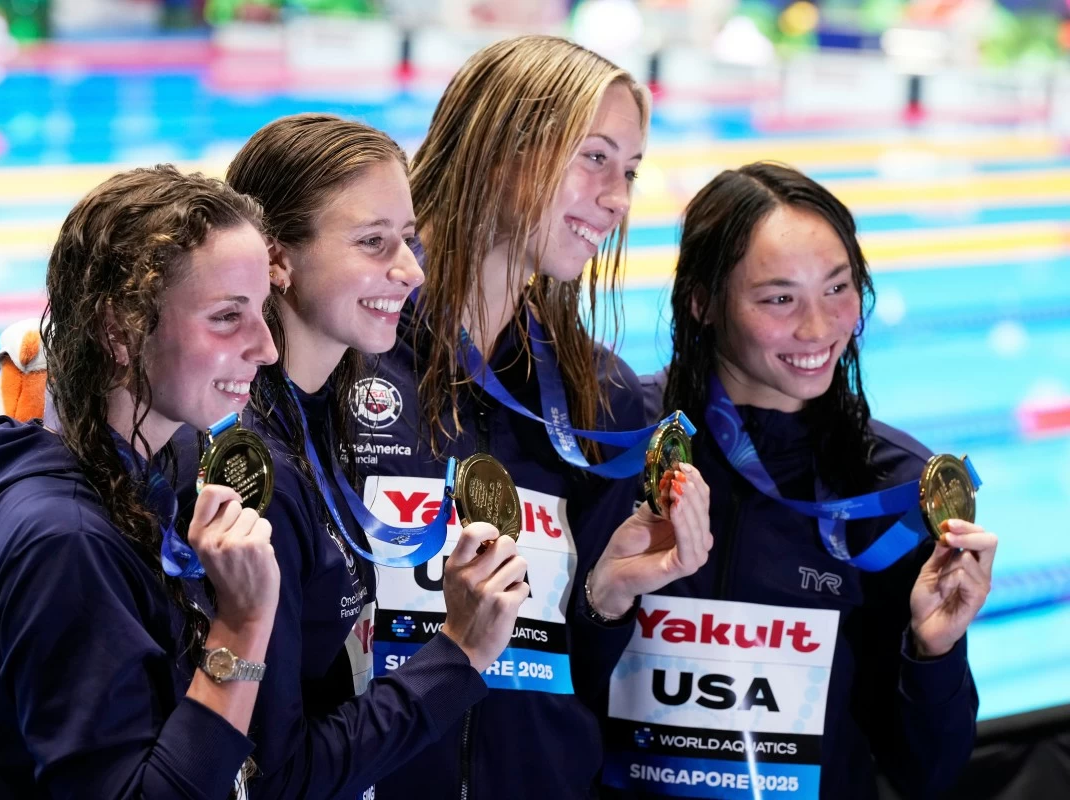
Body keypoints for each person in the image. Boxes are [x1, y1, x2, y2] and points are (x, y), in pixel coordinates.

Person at [356, 35, 714, 798]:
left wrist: (604, 598)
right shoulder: (351, 351)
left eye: (631, 171)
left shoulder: (598, 397)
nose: (617, 197)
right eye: (594, 157)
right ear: (500, 146)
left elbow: (570, 668)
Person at [0, 165, 282, 799]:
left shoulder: (113, 475)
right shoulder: (68, 540)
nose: (265, 346)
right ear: (119, 331)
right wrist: (244, 626)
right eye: (228, 317)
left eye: (261, 311)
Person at [170, 113, 528, 800]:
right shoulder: (251, 470)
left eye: (408, 240)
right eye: (373, 243)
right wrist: (458, 653)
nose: (409, 270)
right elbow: (281, 777)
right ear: (277, 259)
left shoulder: (320, 413)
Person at [611, 162, 997, 799]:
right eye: (779, 298)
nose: (819, 329)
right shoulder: (625, 446)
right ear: (702, 301)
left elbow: (926, 773)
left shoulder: (896, 491)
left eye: (838, 288)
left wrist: (934, 654)